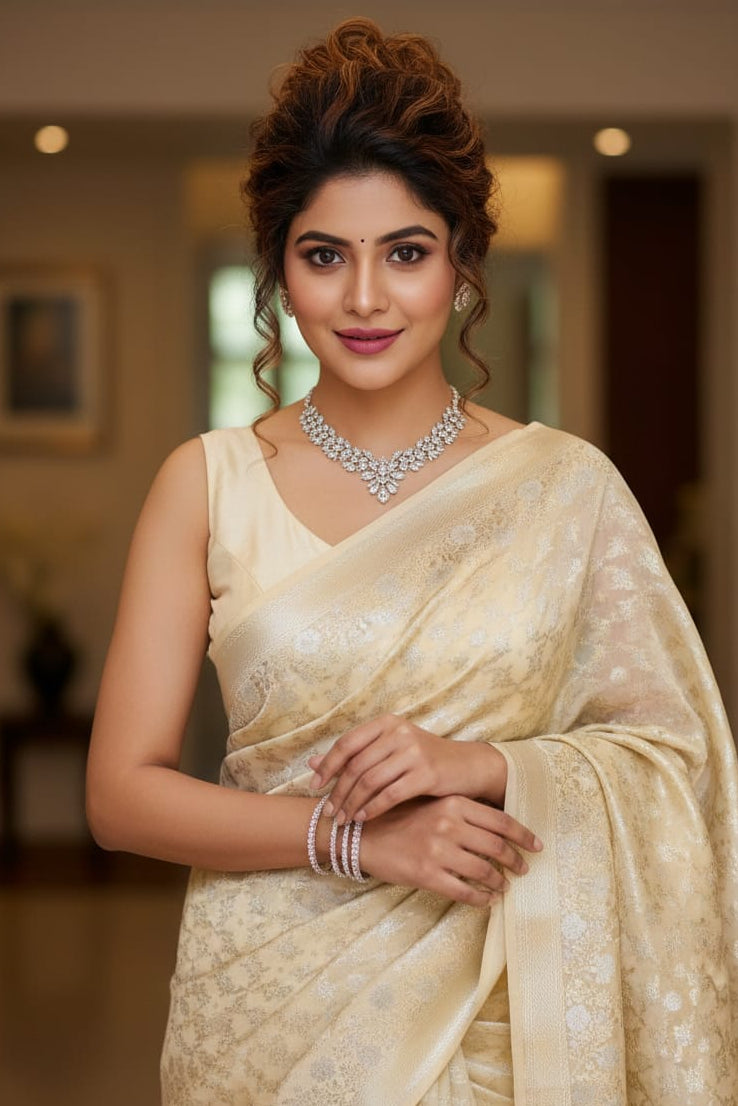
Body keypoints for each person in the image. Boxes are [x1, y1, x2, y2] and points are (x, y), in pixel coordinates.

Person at [86, 18, 738, 1105]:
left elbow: (679, 758)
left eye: (407, 251)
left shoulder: (565, 488)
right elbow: (121, 793)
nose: (365, 299)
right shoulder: (205, 484)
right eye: (324, 255)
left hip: (508, 1008)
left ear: (462, 260)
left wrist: (483, 763)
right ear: (280, 271)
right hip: (272, 1015)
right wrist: (354, 840)